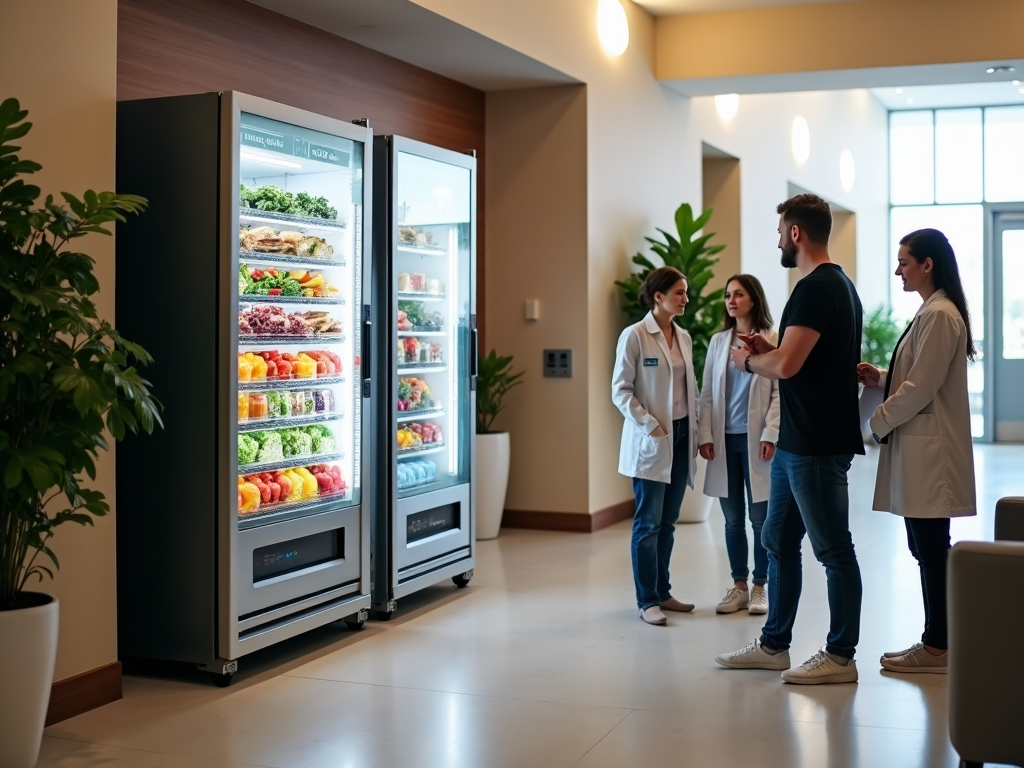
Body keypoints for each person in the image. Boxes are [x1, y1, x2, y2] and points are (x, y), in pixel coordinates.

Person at [715, 193, 865, 684]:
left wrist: (751, 360)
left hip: (815, 444)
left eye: (781, 231)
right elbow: (800, 355)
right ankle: (774, 644)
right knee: (777, 538)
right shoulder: (835, 285)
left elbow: (786, 366)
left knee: (833, 549)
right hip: (796, 443)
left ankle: (841, 655)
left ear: (796, 233)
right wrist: (772, 346)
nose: (778, 239)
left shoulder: (815, 289)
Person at [858, 229, 977, 674]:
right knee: (925, 547)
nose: (898, 270)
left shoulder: (941, 314)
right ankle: (938, 641)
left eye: (904, 262)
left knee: (930, 548)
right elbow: (918, 371)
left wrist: (876, 421)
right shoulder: (934, 312)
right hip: (922, 448)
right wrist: (882, 377)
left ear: (928, 265)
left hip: (932, 453)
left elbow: (922, 385)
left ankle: (938, 647)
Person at [612, 266, 699, 626]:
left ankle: (663, 591)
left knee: (668, 522)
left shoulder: (685, 337)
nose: (686, 299)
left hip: (681, 436)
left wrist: (694, 431)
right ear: (658, 296)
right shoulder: (634, 336)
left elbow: (689, 391)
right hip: (653, 438)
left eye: (686, 292)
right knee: (648, 523)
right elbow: (620, 390)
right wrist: (651, 426)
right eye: (679, 292)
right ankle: (647, 600)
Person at [698, 274, 780, 615]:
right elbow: (706, 395)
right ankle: (738, 586)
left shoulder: (772, 338)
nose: (731, 301)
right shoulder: (718, 342)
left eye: (739, 294)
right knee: (732, 521)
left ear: (754, 299)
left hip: (755, 440)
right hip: (724, 440)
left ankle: (761, 586)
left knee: (760, 520)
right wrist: (705, 434)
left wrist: (770, 433)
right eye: (728, 295)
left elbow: (779, 392)